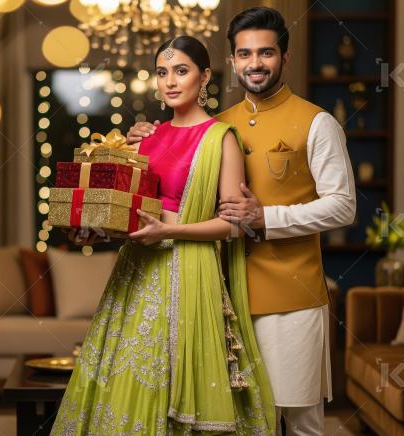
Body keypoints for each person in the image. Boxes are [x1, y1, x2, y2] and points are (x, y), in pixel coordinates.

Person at [128, 8, 356, 436]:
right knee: (244, 421)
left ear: (284, 58)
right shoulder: (217, 127)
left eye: (265, 53)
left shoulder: (317, 122)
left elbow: (343, 207)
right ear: (232, 62)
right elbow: (183, 189)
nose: (255, 63)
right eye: (245, 54)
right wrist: (151, 137)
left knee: (299, 419)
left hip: (291, 297)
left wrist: (265, 217)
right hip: (220, 295)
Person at [51, 35, 276, 435]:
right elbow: (129, 211)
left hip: (189, 268)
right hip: (137, 269)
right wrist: (91, 226)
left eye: (182, 71)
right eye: (162, 72)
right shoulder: (145, 139)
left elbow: (234, 224)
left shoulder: (220, 139)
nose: (170, 81)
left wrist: (169, 230)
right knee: (127, 378)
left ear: (205, 76)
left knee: (177, 376)